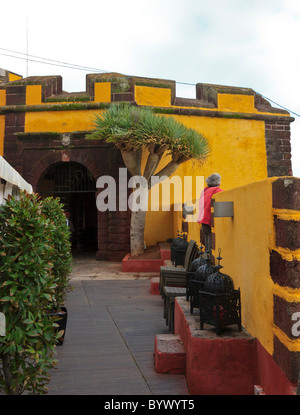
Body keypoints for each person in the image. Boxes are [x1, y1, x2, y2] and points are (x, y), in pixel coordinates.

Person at [197, 173, 223, 254]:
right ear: (218, 182)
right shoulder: (216, 190)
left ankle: (206, 258)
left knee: (207, 239)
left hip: (202, 219)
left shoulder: (204, 191)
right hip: (208, 218)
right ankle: (208, 261)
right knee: (210, 242)